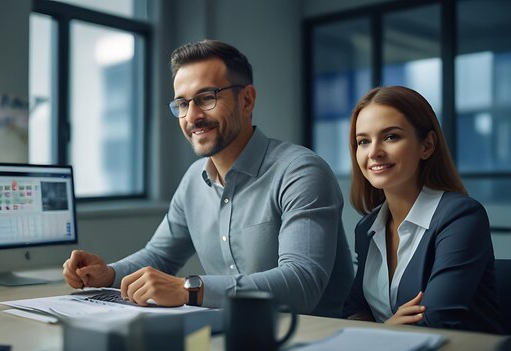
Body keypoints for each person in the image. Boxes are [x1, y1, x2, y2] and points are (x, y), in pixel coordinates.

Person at [63, 39, 353, 316]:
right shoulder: (193, 180)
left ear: (247, 100)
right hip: (233, 333)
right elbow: (159, 255)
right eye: (182, 104)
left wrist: (189, 289)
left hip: (312, 337)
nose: (192, 116)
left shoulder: (300, 172)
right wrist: (108, 274)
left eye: (206, 98)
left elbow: (302, 283)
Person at [343, 86, 503, 333]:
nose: (373, 152)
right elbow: (354, 310)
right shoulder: (367, 228)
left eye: (391, 137)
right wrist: (388, 326)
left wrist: (379, 329)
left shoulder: (461, 217)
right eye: (363, 141)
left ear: (427, 145)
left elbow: (435, 322)